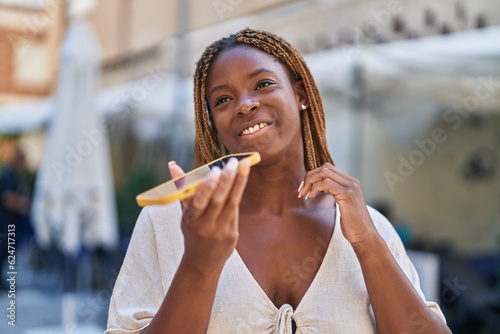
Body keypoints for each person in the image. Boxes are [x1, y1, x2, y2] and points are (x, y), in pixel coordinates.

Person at [106, 29, 450, 333]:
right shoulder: (170, 222)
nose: (245, 105)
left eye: (263, 84)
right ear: (213, 123)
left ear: (300, 95)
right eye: (223, 99)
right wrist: (200, 263)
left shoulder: (368, 226)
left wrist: (368, 245)